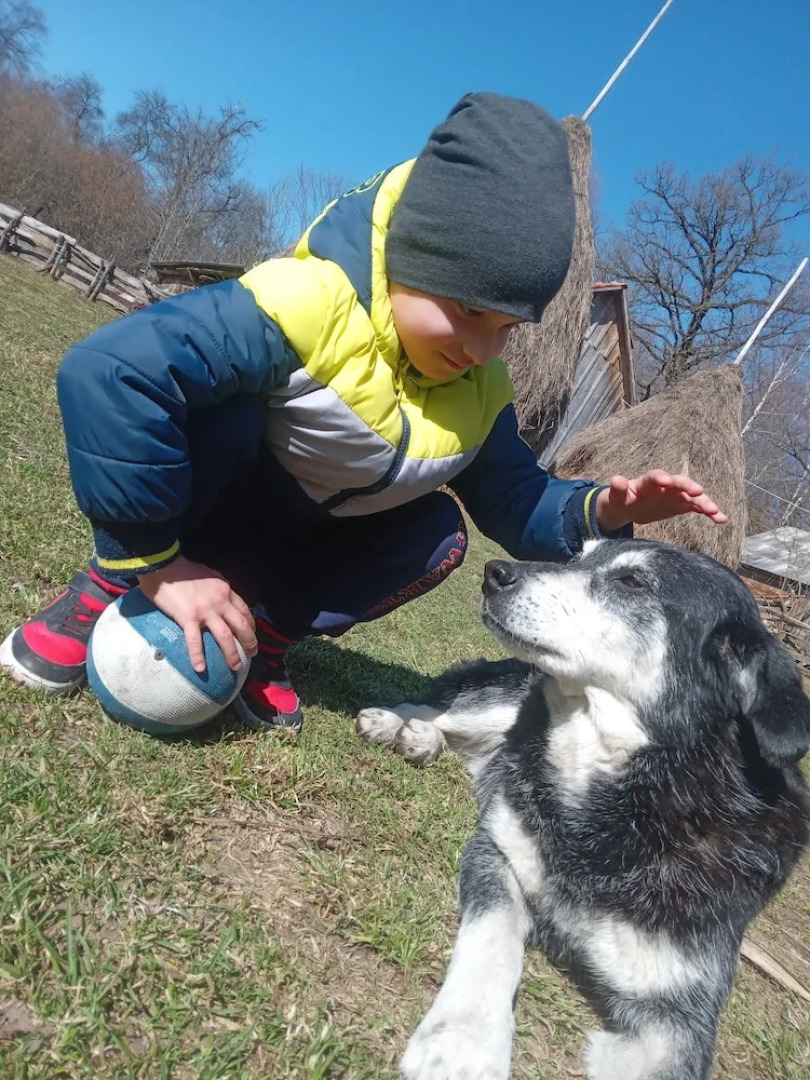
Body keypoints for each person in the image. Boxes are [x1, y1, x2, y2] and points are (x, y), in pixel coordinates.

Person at [0, 92, 727, 732]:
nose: (482, 348)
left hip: (303, 546)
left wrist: (603, 508)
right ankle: (112, 582)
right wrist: (157, 560)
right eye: (468, 310)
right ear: (414, 257)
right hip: (209, 510)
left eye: (506, 327)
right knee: (225, 411)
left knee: (440, 532)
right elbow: (113, 371)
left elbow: (517, 499)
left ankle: (261, 637)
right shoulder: (304, 302)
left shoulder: (482, 389)